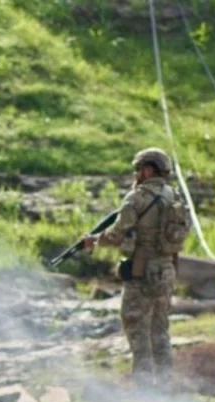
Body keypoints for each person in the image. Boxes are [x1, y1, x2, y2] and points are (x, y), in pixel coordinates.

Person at [82, 148, 192, 386]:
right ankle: (164, 383)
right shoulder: (174, 196)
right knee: (160, 329)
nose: (136, 174)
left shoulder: (137, 198)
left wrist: (95, 241)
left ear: (148, 170)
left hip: (142, 270)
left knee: (135, 325)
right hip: (167, 269)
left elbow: (116, 235)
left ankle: (143, 385)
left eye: (138, 169)